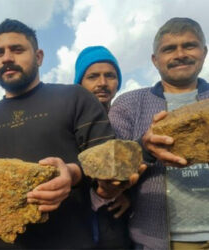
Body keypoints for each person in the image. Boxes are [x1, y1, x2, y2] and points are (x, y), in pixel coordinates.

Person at [0, 19, 144, 249]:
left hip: (69, 242)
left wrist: (73, 173)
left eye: (17, 50)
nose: (7, 57)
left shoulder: (75, 98)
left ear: (39, 56)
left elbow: (107, 160)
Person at [109, 17, 209, 249]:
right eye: (169, 49)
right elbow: (109, 167)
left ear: (204, 52)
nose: (180, 54)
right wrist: (144, 148)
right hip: (161, 240)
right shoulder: (130, 104)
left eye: (189, 45)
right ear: (155, 60)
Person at [74, 45, 131, 249]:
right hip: (76, 226)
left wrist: (128, 195)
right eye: (93, 76)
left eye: (110, 75)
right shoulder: (66, 123)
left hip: (116, 226)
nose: (102, 83)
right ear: (79, 83)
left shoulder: (127, 122)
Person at [74, 46, 121, 112]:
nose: (103, 83)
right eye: (92, 77)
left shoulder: (132, 119)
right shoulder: (65, 120)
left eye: (109, 76)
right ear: (79, 84)